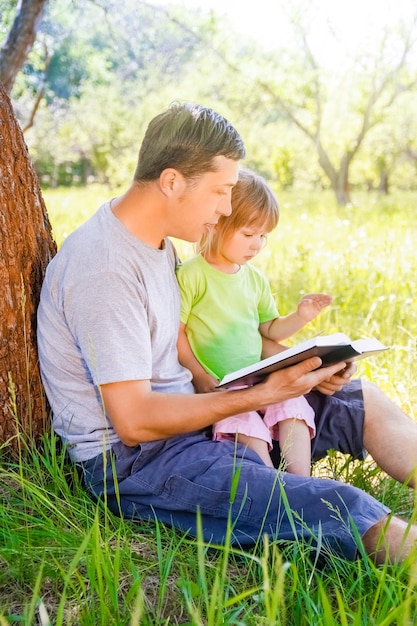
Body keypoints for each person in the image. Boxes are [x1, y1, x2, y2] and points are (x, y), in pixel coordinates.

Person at [37, 101, 417, 565]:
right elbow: (134, 422)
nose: (226, 208)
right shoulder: (105, 269)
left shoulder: (157, 246)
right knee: (339, 505)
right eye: (221, 191)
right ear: (172, 181)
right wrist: (258, 397)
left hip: (197, 416)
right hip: (142, 461)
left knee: (360, 402)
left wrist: (304, 367)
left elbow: (210, 336)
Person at [176, 168, 332, 474]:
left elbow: (269, 329)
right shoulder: (192, 275)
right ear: (217, 224)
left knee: (294, 408)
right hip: (225, 388)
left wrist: (299, 318)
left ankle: (302, 482)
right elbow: (177, 333)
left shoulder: (254, 279)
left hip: (260, 377)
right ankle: (271, 488)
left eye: (263, 236)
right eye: (249, 234)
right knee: (245, 426)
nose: (257, 244)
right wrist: (199, 375)